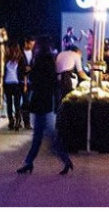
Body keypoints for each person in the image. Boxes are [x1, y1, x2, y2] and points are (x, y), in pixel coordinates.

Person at [17, 38, 73, 175]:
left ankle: (31, 163)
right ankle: (30, 162)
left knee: (43, 136)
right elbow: (52, 83)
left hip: (39, 102)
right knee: (45, 135)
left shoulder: (40, 61)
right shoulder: (50, 61)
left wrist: (30, 72)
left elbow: (35, 79)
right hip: (46, 102)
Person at [3, 43, 23, 131]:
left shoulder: (20, 60)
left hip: (16, 84)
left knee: (16, 104)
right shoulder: (6, 60)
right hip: (7, 84)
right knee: (9, 104)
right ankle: (11, 121)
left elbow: (23, 72)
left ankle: (17, 121)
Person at [19, 36, 36, 130]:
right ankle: (27, 122)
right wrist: (24, 69)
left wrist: (31, 68)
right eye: (31, 44)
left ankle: (19, 113)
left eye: (33, 45)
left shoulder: (34, 54)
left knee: (27, 102)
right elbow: (17, 66)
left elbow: (35, 66)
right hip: (21, 80)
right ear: (26, 43)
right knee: (26, 101)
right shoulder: (20, 53)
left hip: (31, 81)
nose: (32, 46)